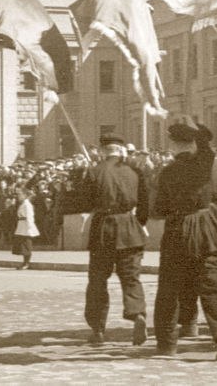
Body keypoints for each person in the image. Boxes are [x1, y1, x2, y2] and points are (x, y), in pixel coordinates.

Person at [151, 115, 217, 360]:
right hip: (211, 228)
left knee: (170, 287)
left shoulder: (168, 172)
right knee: (215, 284)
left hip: (180, 230)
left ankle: (167, 342)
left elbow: (158, 209)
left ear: (175, 146)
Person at [82, 134, 149, 346]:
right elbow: (145, 202)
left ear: (103, 151)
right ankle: (137, 313)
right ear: (121, 151)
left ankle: (97, 328)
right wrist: (140, 222)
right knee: (131, 278)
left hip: (103, 227)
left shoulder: (94, 171)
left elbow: (85, 201)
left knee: (97, 281)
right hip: (129, 226)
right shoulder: (134, 171)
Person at [11, 188, 37, 270]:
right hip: (21, 225)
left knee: (26, 244)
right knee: (22, 245)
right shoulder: (22, 204)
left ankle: (27, 263)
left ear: (25, 195)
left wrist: (30, 227)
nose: (18, 196)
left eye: (20, 194)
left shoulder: (27, 204)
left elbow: (30, 216)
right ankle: (24, 262)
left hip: (26, 226)